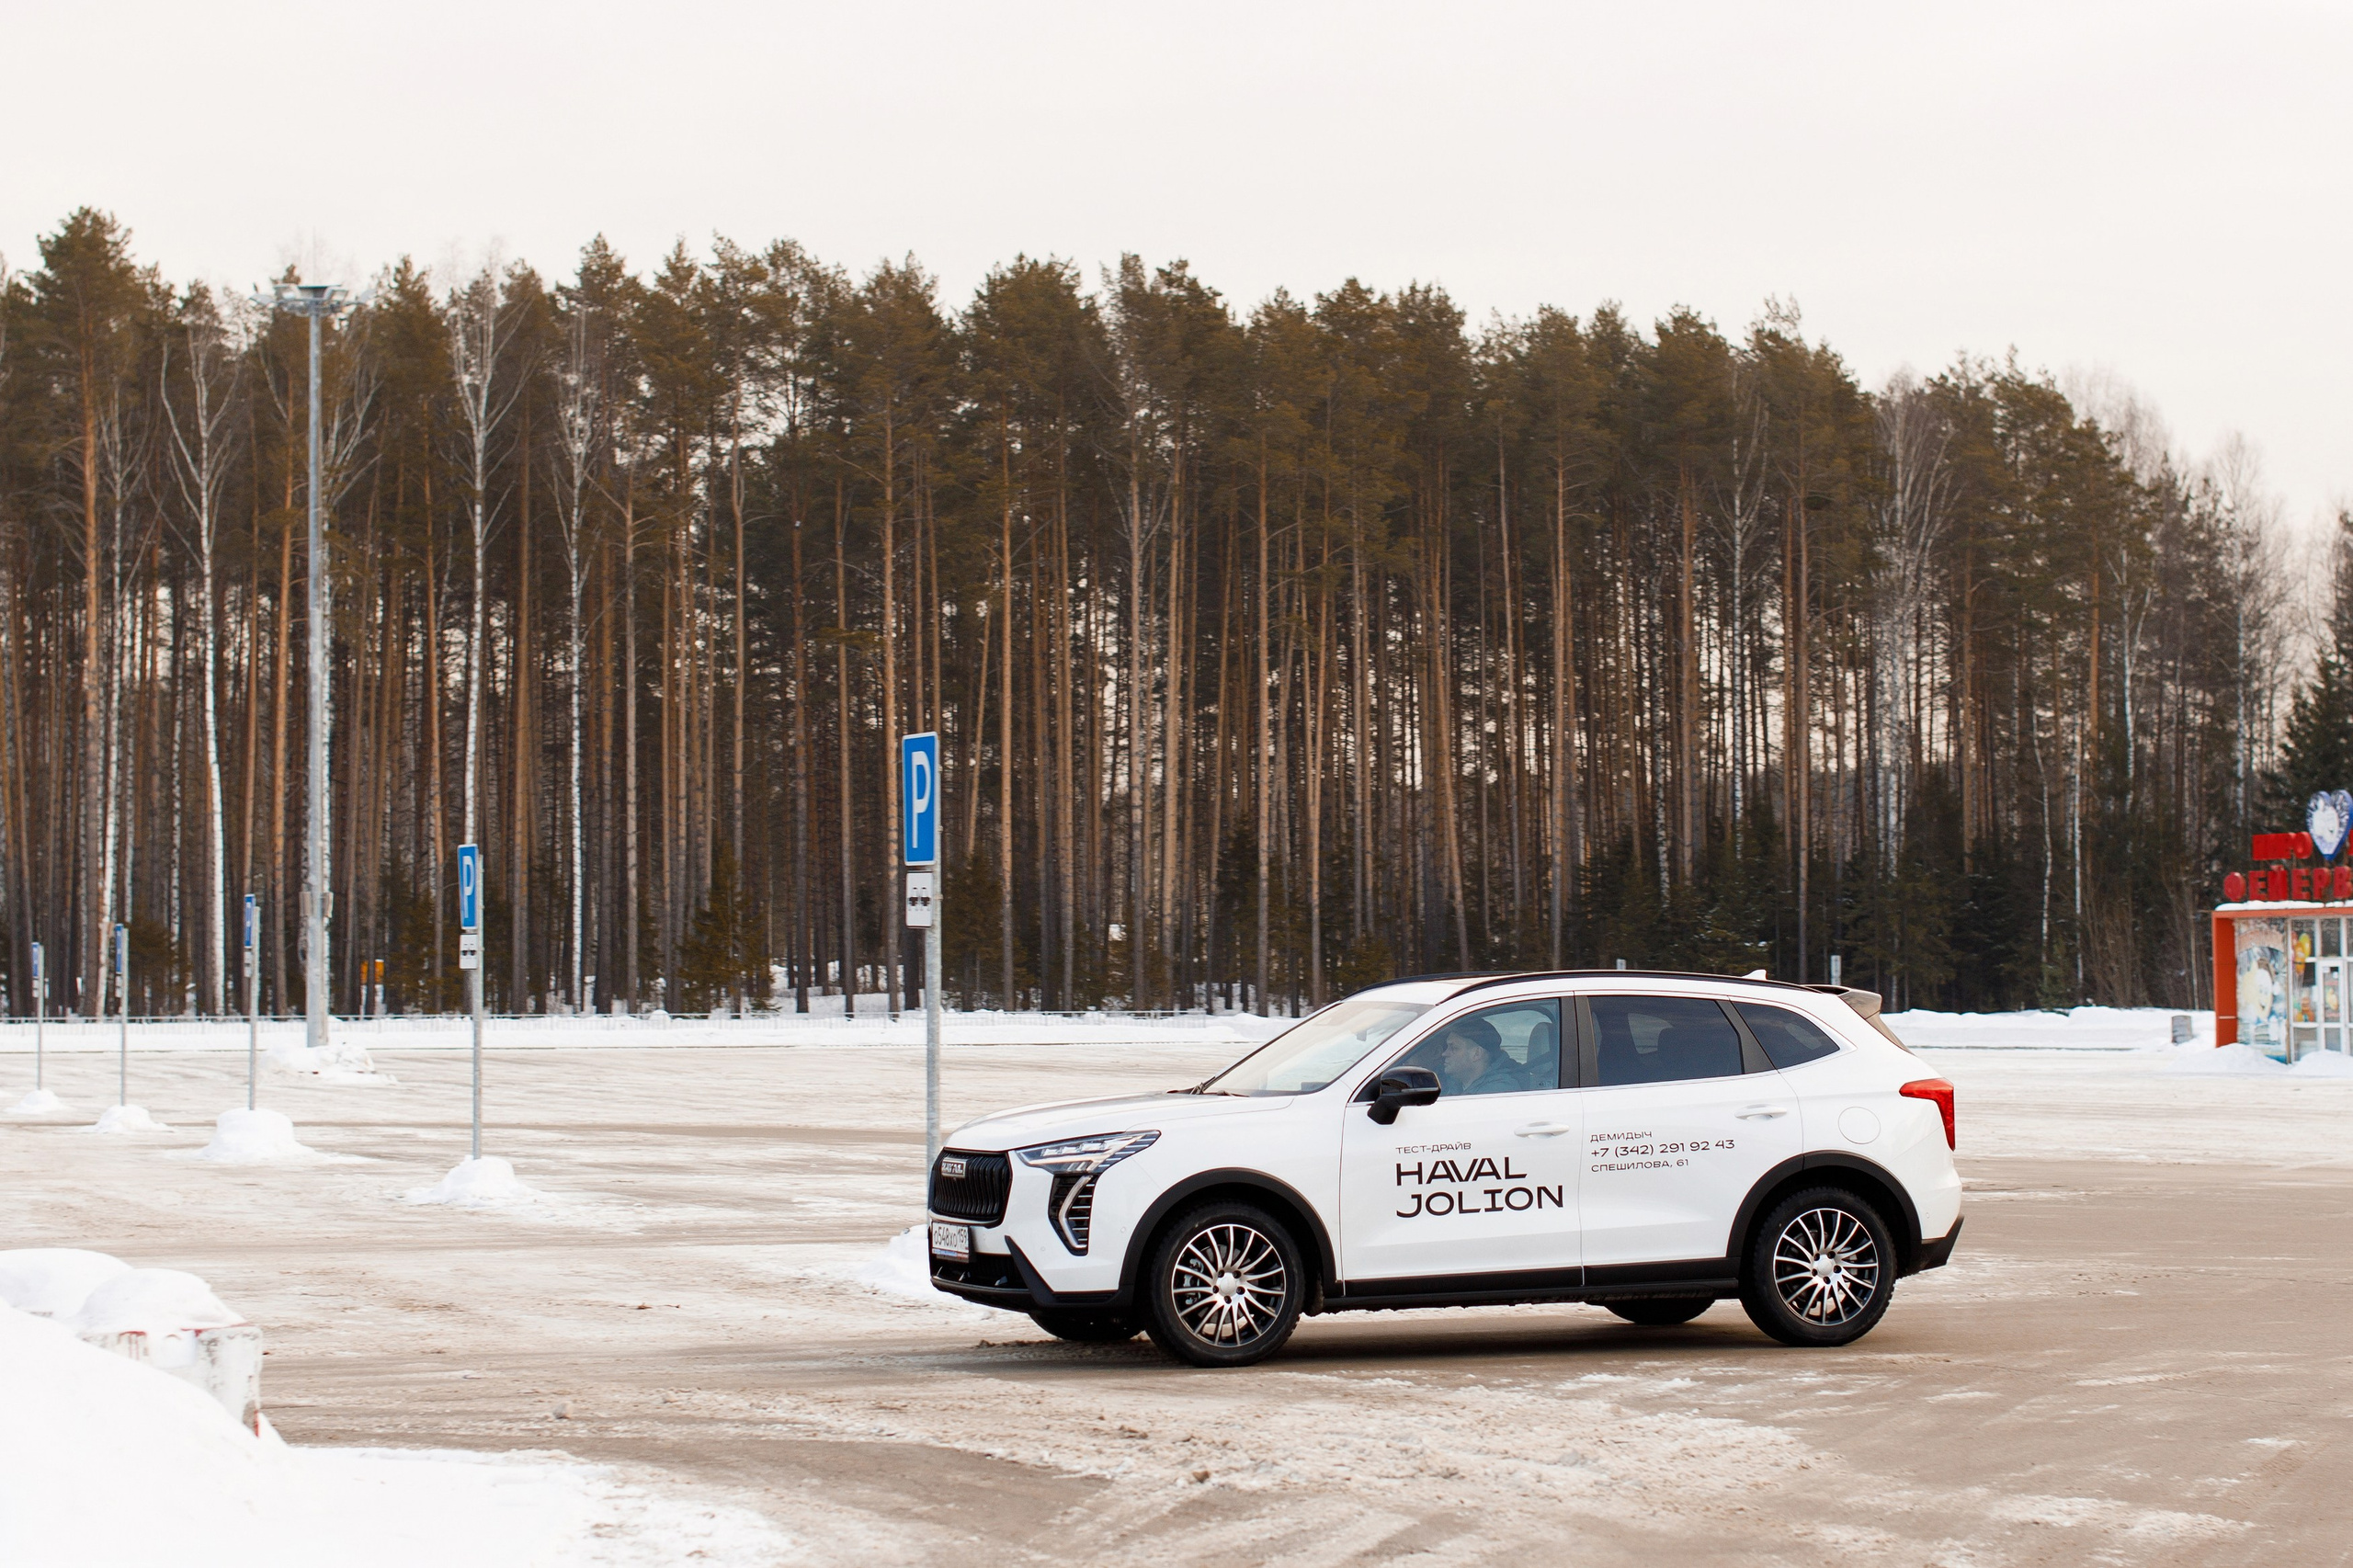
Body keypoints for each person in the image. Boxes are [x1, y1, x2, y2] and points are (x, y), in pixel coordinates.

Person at [1437, 1016, 1527, 1096]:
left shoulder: (1498, 1093)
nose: (1444, 1053)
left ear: (1476, 1054)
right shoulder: (1453, 1084)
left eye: (1454, 1048)